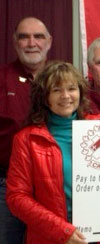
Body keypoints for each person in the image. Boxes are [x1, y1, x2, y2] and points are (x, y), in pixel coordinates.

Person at [6, 61, 100, 243]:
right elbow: (17, 197)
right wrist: (62, 230)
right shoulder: (27, 139)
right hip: (51, 237)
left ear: (80, 93)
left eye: (71, 88)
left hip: (97, 237)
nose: (65, 96)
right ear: (44, 97)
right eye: (56, 90)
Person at [0, 16, 52, 243]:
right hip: (6, 186)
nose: (32, 43)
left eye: (38, 36)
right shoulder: (1, 78)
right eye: (24, 37)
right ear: (15, 42)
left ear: (49, 41)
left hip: (53, 187)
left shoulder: (64, 78)